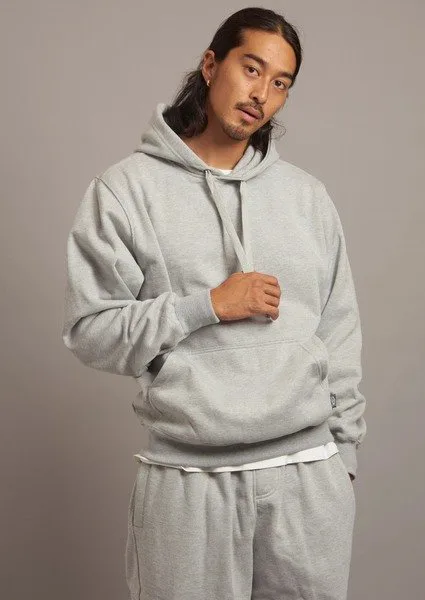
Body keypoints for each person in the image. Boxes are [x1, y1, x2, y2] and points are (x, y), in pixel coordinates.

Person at [61, 6, 367, 600]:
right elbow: (89, 331)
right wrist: (205, 306)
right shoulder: (125, 191)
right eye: (252, 69)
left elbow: (340, 329)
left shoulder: (307, 198)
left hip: (308, 480)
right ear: (210, 65)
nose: (262, 94)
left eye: (281, 83)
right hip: (188, 482)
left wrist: (344, 454)